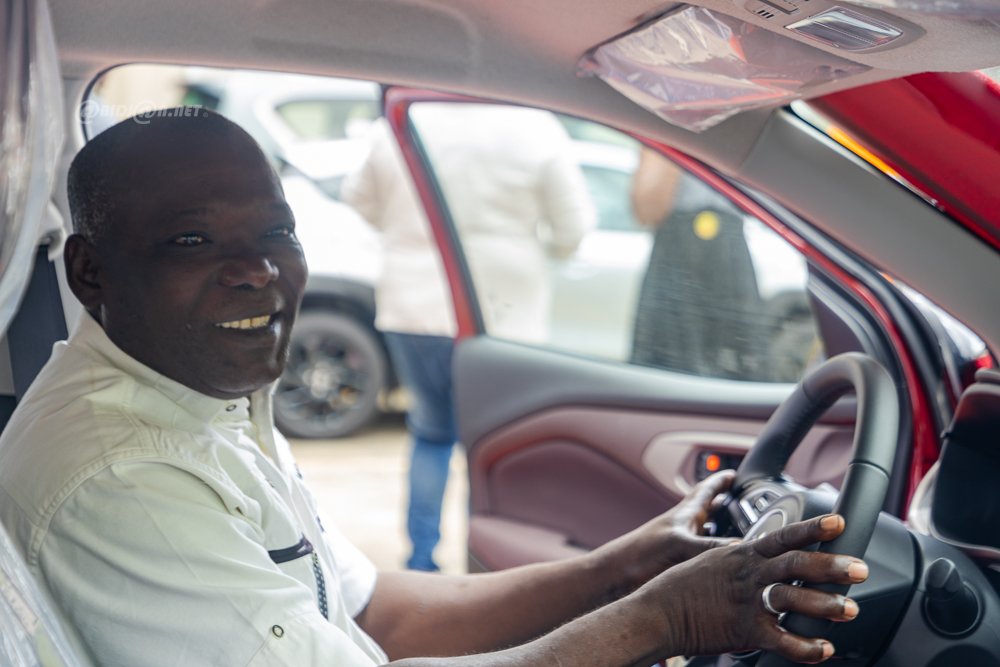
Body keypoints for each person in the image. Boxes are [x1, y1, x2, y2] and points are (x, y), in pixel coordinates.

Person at [0, 109, 866, 667]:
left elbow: (380, 612)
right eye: (193, 241)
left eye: (276, 232)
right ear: (90, 272)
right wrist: (661, 620)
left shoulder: (194, 391)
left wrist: (626, 567)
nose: (257, 270)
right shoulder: (124, 469)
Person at [341, 108, 595, 571]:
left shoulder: (400, 121)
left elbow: (358, 198)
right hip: (502, 313)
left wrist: (406, 230)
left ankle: (421, 561)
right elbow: (572, 229)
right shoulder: (533, 126)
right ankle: (486, 566)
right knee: (494, 447)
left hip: (413, 303)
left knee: (431, 433)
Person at [630, 147, 769, 380]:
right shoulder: (668, 133)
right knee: (665, 372)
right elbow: (646, 209)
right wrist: (678, 138)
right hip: (678, 252)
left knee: (739, 371)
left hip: (726, 249)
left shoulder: (741, 133)